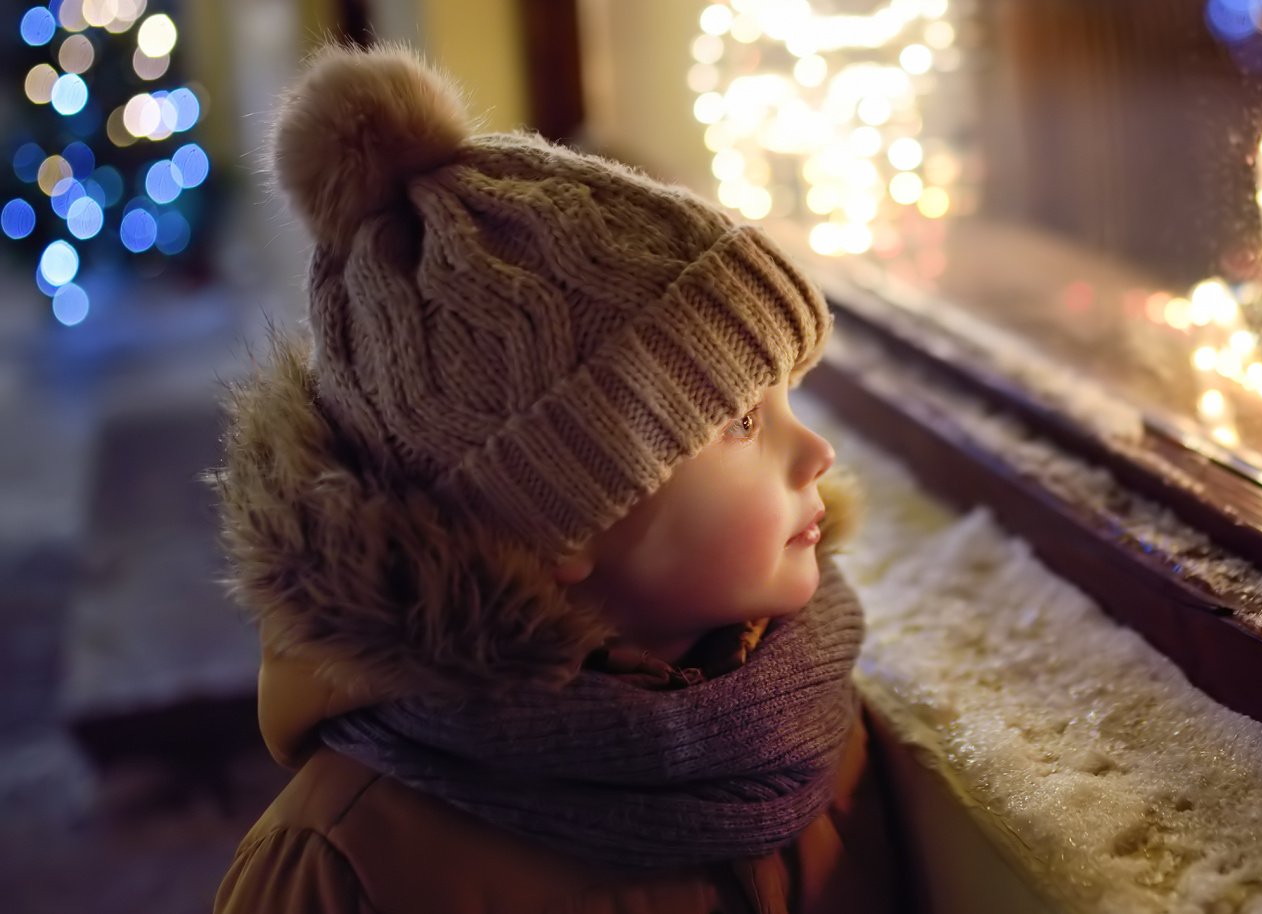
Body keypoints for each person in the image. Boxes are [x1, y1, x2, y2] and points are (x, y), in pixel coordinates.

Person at [210, 43, 905, 914]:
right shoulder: (346, 869)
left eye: (786, 399)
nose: (818, 455)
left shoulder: (803, 705)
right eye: (741, 423)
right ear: (562, 523)